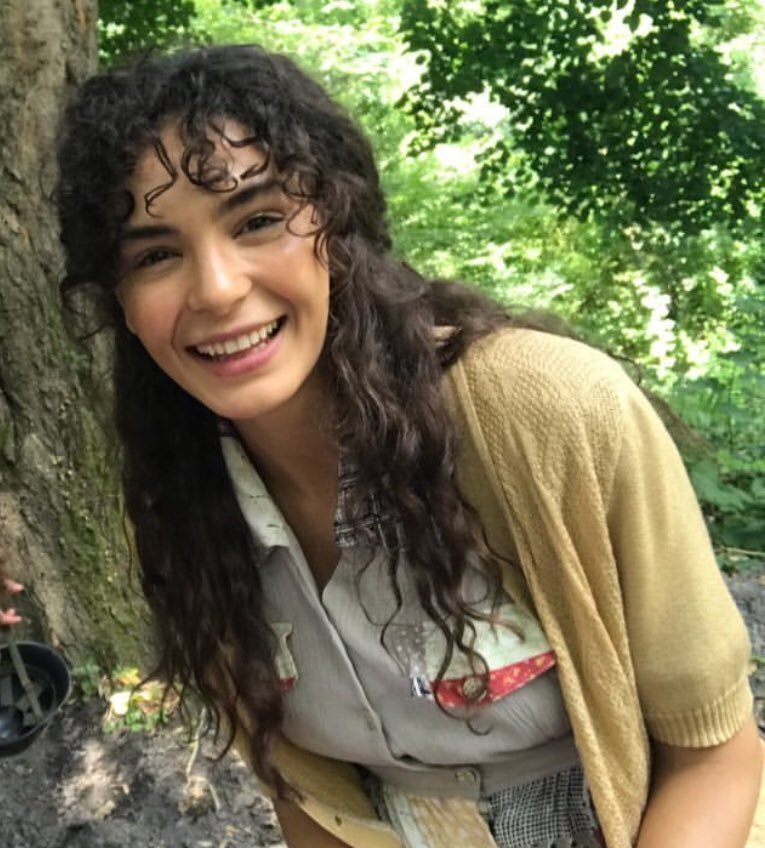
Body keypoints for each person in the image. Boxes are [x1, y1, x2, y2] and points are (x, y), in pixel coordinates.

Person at [53, 45, 762, 848]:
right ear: (119, 299)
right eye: (155, 255)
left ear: (337, 225)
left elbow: (714, 757)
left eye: (258, 221)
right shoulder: (177, 500)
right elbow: (311, 797)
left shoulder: (546, 411)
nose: (216, 289)